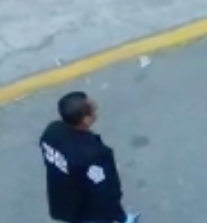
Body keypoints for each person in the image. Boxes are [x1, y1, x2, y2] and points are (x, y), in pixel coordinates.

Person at [39, 92, 137, 223]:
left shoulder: (51, 132)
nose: (96, 108)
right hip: (88, 211)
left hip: (64, 201)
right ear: (86, 120)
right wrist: (119, 216)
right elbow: (105, 192)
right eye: (92, 109)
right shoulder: (94, 155)